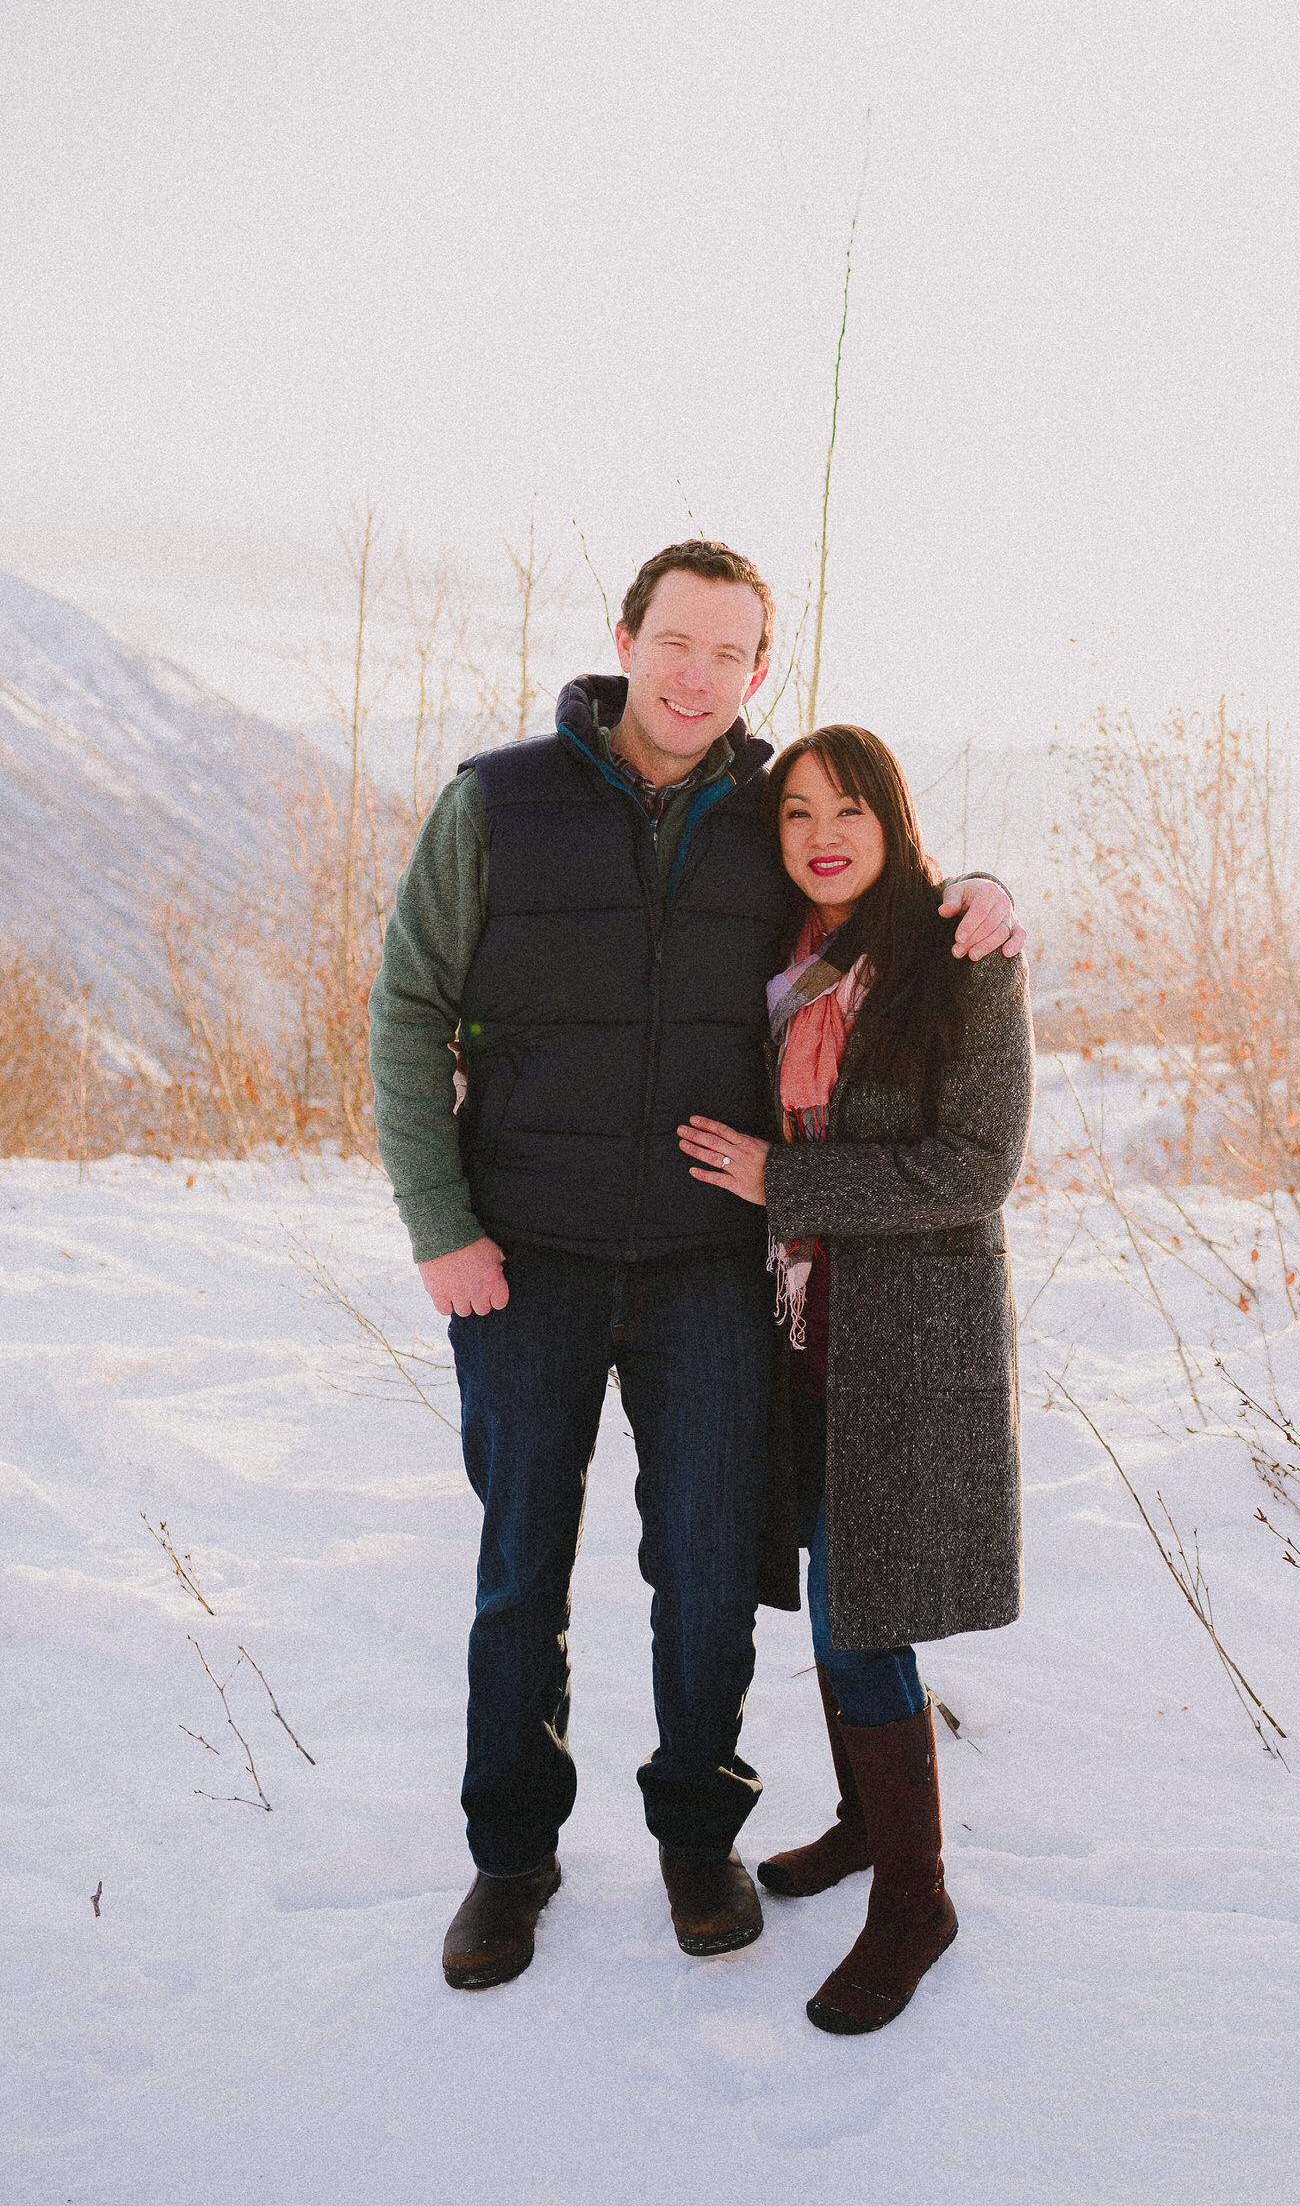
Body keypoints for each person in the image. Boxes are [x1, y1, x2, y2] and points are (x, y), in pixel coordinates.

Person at [366, 540, 1022, 1990]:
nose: (697, 675)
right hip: (520, 1261)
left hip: (710, 1269)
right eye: (678, 641)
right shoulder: (497, 802)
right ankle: (510, 1860)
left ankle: (693, 1835)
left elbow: (884, 898)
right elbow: (407, 1009)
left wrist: (980, 888)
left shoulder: (773, 815)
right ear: (624, 638)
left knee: (711, 1573)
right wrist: (438, 1222)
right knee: (517, 1575)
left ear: (758, 672)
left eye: (730, 654)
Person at [675, 723, 1034, 2033]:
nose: (821, 833)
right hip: (795, 1335)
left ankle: (916, 1901)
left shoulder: (958, 958)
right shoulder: (774, 968)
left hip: (910, 1349)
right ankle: (858, 1824)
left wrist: (789, 1179)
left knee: (858, 1615)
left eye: (849, 809)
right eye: (794, 814)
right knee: (837, 1593)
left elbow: (974, 1168)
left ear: (891, 820)